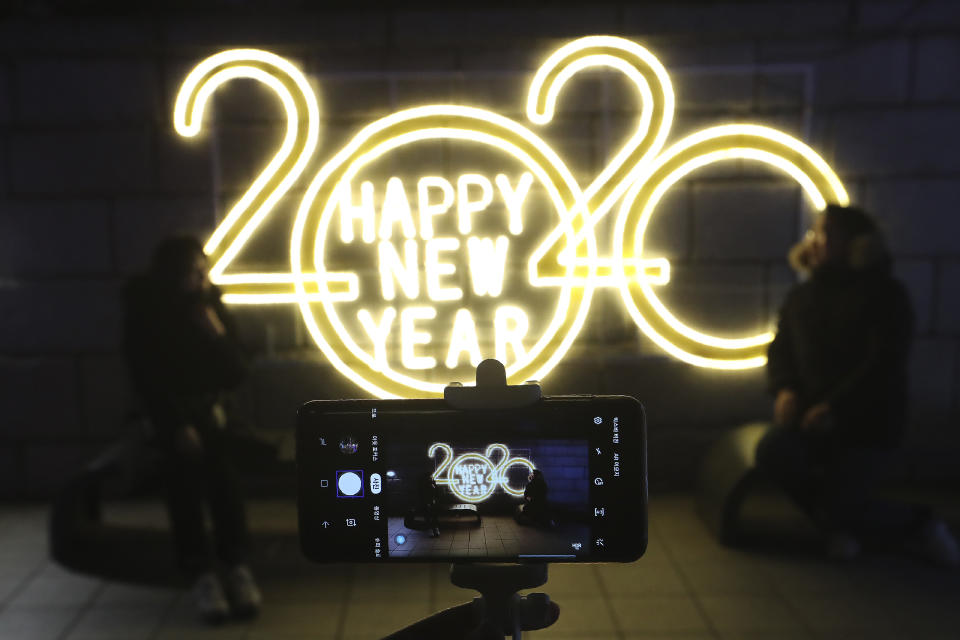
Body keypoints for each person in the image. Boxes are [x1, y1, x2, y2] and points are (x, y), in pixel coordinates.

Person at [758, 205, 959, 565]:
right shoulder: (802, 297)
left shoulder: (886, 296)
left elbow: (883, 365)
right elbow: (780, 349)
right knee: (773, 452)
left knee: (843, 501)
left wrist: (835, 406)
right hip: (809, 421)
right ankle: (840, 524)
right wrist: (785, 387)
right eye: (813, 234)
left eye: (826, 234)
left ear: (857, 245)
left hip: (866, 424)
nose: (815, 242)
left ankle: (921, 524)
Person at [123, 235, 262, 622]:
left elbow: (237, 373)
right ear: (172, 275)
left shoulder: (209, 308)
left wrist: (216, 334)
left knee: (225, 490)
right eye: (193, 273)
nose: (202, 280)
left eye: (204, 271)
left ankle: (235, 567)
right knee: (184, 493)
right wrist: (177, 424)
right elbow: (147, 378)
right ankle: (201, 574)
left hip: (212, 416)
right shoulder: (146, 314)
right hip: (172, 420)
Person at [417, 472, 441, 537]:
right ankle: (432, 530)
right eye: (430, 477)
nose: (431, 478)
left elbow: (437, 493)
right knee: (430, 516)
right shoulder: (425, 485)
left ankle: (434, 529)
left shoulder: (432, 484)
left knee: (433, 516)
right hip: (428, 503)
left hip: (432, 503)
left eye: (431, 477)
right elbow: (423, 495)